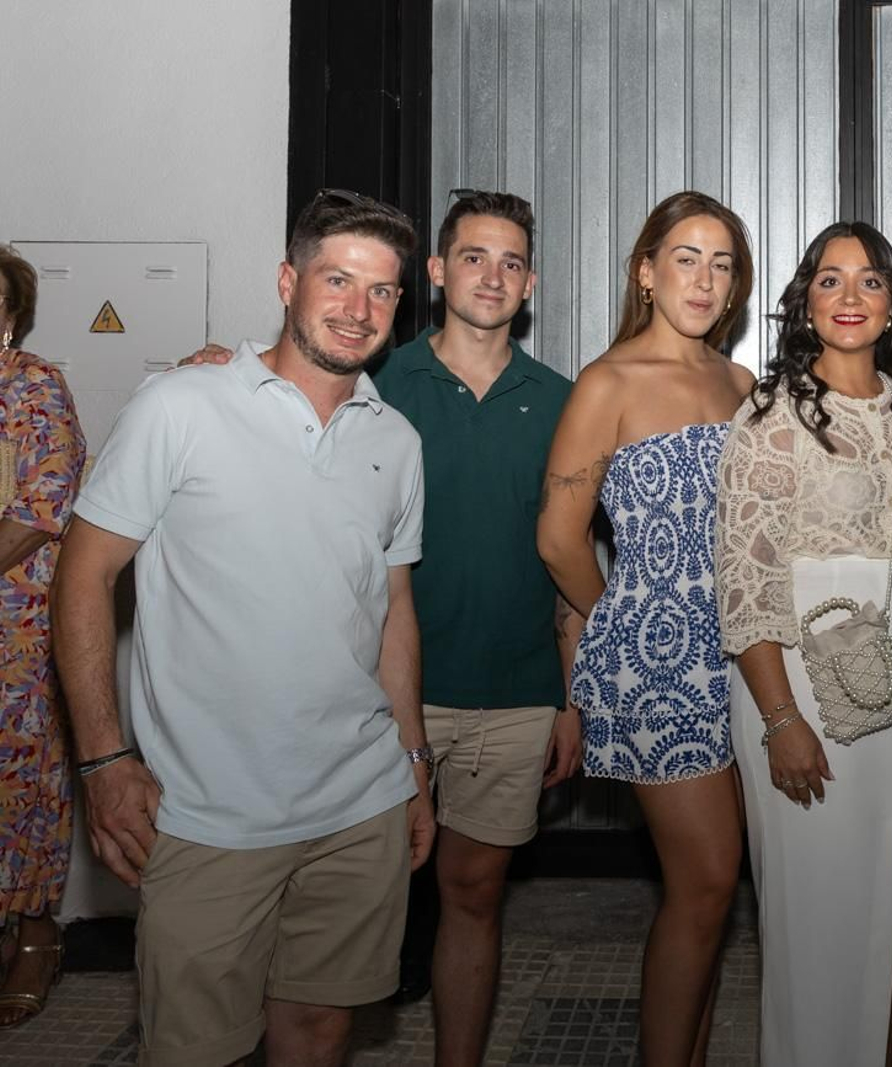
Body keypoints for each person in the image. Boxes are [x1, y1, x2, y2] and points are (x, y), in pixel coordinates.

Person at [185, 189, 583, 1067]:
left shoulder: (562, 399)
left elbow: (570, 560)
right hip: (367, 703)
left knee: (474, 895)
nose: (493, 275)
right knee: (334, 914)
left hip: (513, 695)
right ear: (437, 274)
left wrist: (570, 695)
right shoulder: (370, 381)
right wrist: (213, 366)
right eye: (473, 257)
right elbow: (266, 393)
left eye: (512, 262)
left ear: (531, 284)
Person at [52, 190, 435, 1066]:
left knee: (321, 1029)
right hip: (207, 814)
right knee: (194, 1048)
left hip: (359, 804)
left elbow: (392, 612)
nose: (358, 308)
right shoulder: (180, 406)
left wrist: (413, 763)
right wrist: (105, 760)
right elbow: (82, 573)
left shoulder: (398, 442)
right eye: (338, 280)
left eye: (381, 291)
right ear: (288, 282)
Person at [715, 221, 892, 1066]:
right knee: (820, 921)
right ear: (804, 303)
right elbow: (745, 583)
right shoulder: (769, 416)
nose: (849, 297)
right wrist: (780, 718)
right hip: (800, 686)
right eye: (829, 280)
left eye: (869, 281)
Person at [536, 189, 754, 1066]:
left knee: (715, 887)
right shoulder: (609, 381)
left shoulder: (742, 384)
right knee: (704, 884)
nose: (704, 280)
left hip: (744, 658)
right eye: (687, 259)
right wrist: (622, 622)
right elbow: (559, 537)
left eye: (723, 263)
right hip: (659, 666)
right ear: (646, 271)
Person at [0, 245, 86, 1027]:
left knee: (24, 785)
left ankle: (35, 936)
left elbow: (39, 508)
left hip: (15, 633)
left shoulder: (33, 388)